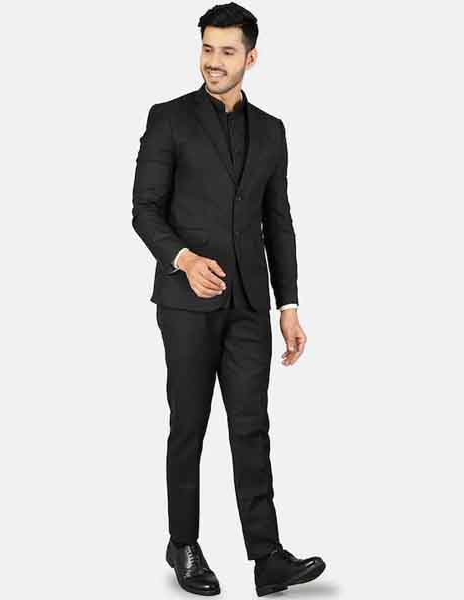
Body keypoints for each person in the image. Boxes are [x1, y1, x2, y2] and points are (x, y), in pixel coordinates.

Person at [131, 3, 326, 596]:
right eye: (207, 48)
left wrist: (287, 305)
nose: (213, 61)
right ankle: (183, 544)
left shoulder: (271, 130)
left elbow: (278, 221)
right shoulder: (168, 119)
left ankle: (267, 557)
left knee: (251, 426)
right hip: (186, 303)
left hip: (248, 305)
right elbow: (144, 210)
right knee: (189, 424)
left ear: (251, 57)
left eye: (227, 51)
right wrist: (184, 260)